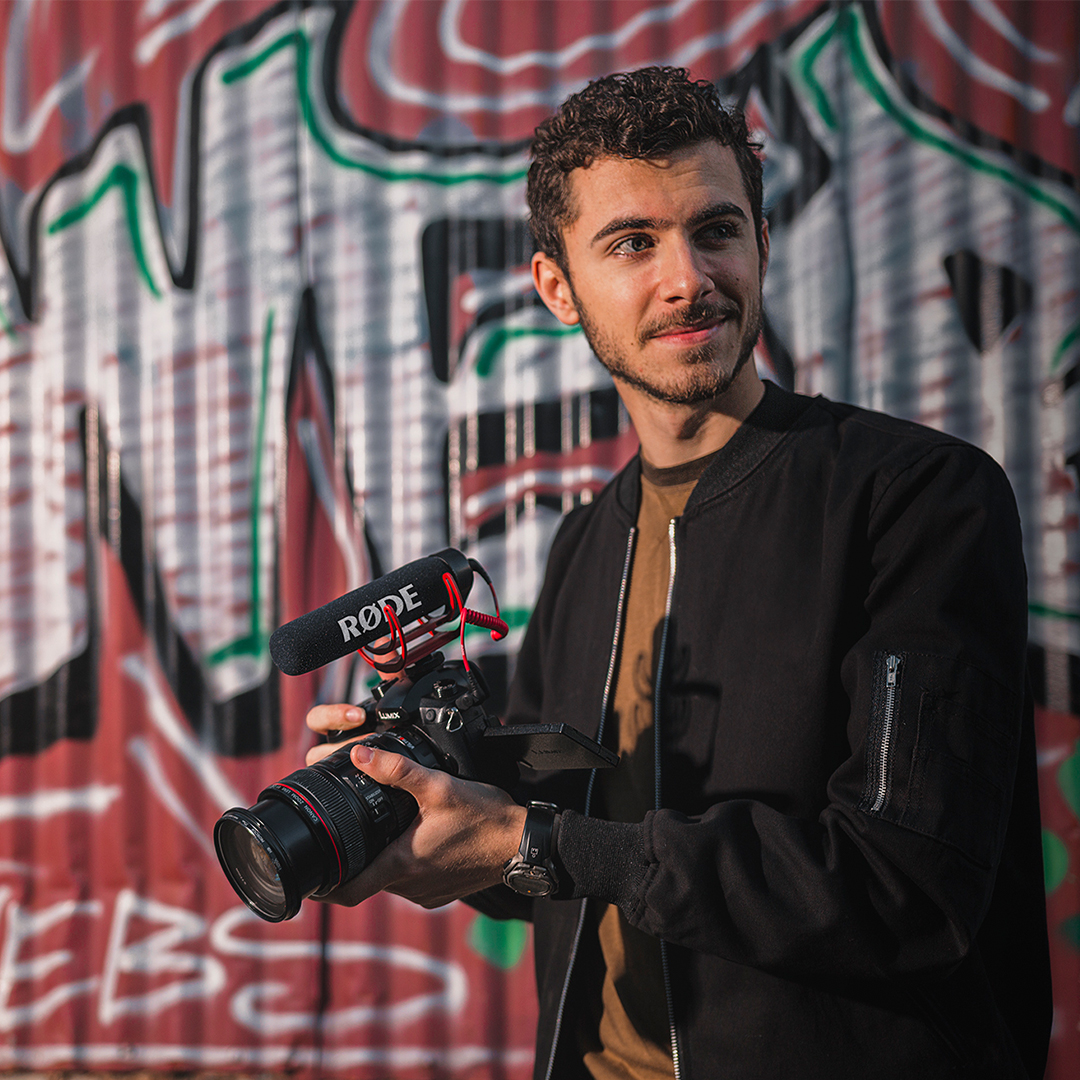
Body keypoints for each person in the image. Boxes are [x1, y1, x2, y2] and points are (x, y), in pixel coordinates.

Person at [305, 68, 1052, 1080]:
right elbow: (570, 856)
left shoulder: (917, 499)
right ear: (556, 286)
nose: (688, 278)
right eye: (633, 243)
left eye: (716, 230)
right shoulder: (586, 542)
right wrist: (425, 819)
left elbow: (902, 889)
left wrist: (535, 841)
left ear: (763, 242)